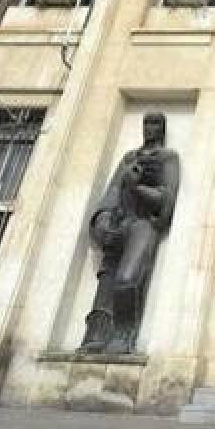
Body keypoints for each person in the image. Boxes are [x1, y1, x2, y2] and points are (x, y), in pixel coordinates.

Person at [78, 112, 179, 355]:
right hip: (120, 218)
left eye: (155, 123)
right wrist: (102, 219)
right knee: (107, 279)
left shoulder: (167, 157)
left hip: (144, 222)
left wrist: (137, 187)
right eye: (146, 123)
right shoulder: (129, 157)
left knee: (127, 278)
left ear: (162, 128)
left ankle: (124, 335)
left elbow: (166, 198)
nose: (149, 128)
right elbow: (113, 189)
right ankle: (97, 334)